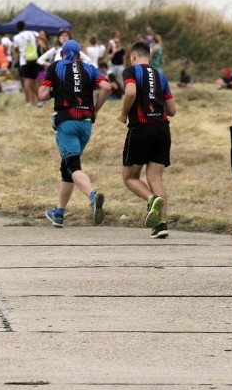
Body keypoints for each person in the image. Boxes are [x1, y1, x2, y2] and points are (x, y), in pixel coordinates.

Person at [39, 40, 111, 227]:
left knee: (73, 165)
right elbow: (106, 87)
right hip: (86, 123)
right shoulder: (89, 68)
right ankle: (59, 213)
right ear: (79, 55)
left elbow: (42, 95)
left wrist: (55, 90)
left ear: (62, 53)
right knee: (67, 168)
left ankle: (93, 196)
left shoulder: (56, 67)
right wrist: (96, 109)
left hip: (67, 121)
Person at [117, 41, 177, 239]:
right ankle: (160, 225)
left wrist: (123, 113)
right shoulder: (160, 75)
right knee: (155, 178)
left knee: (130, 177)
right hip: (162, 128)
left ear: (133, 56)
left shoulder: (131, 71)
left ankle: (151, 200)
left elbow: (131, 92)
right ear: (150, 57)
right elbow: (172, 110)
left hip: (141, 129)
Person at [13, 21, 40, 107]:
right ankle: (39, 100)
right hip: (35, 59)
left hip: (24, 61)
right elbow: (40, 37)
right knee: (35, 82)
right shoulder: (32, 32)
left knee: (27, 83)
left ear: (17, 28)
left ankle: (29, 102)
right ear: (25, 26)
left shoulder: (16, 37)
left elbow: (16, 49)